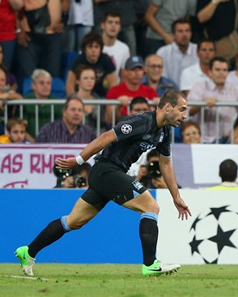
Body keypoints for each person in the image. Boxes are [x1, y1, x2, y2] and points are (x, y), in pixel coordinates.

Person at [15, 90, 192, 277]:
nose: (184, 115)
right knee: (151, 206)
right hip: (107, 171)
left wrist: (176, 197)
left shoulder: (164, 132)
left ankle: (28, 252)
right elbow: (106, 137)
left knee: (73, 221)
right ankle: (150, 264)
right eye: (182, 109)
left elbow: (165, 163)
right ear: (167, 107)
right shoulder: (141, 122)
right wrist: (79, 160)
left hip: (108, 175)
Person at [187, 57, 238, 143]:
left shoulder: (235, 89)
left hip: (226, 141)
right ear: (209, 72)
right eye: (217, 70)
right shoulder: (199, 86)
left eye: (225, 70)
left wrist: (237, 131)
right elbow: (189, 111)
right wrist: (202, 103)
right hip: (201, 140)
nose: (221, 73)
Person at [105, 56, 159, 124]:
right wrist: (118, 105)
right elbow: (109, 120)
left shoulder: (150, 91)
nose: (137, 73)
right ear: (125, 71)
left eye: (139, 69)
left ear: (143, 71)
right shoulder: (114, 91)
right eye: (133, 69)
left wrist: (158, 106)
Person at [66, 32, 118, 97]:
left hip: (101, 97)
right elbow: (70, 85)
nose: (93, 50)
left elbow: (113, 84)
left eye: (96, 47)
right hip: (80, 96)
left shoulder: (106, 60)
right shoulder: (78, 61)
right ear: (85, 49)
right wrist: (74, 101)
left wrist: (110, 102)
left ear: (100, 49)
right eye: (90, 47)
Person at [156, 19, 198, 85]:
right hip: (170, 92)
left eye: (187, 31)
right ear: (173, 34)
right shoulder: (163, 52)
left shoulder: (198, 50)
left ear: (191, 33)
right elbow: (161, 78)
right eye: (180, 31)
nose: (184, 34)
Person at [23, 69, 63, 138]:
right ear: (33, 85)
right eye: (42, 83)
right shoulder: (25, 102)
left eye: (48, 83)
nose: (46, 86)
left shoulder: (57, 103)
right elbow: (21, 128)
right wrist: (34, 143)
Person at [101, 11, 131, 81]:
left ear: (120, 27)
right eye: (110, 22)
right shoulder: (92, 46)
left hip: (114, 90)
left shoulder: (124, 49)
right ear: (103, 25)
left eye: (117, 23)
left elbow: (124, 77)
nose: (113, 26)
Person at [74, 65, 100, 131]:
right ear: (77, 80)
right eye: (85, 78)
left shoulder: (99, 100)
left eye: (92, 78)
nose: (89, 81)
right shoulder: (70, 100)